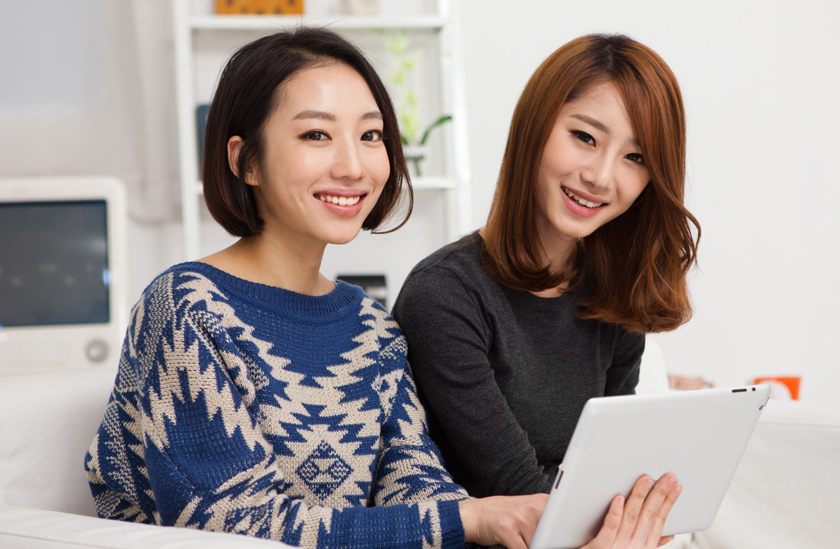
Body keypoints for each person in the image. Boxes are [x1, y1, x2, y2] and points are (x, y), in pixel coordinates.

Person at [83, 27, 557, 549]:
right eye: (316, 135)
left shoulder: (372, 327)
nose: (353, 166)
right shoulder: (186, 309)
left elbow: (420, 492)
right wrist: (467, 519)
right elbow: (233, 525)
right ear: (246, 161)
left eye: (370, 136)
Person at [393, 32, 699, 509]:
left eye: (634, 157)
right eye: (584, 137)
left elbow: (611, 469)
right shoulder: (444, 294)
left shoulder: (615, 293)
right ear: (535, 127)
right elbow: (518, 488)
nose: (600, 176)